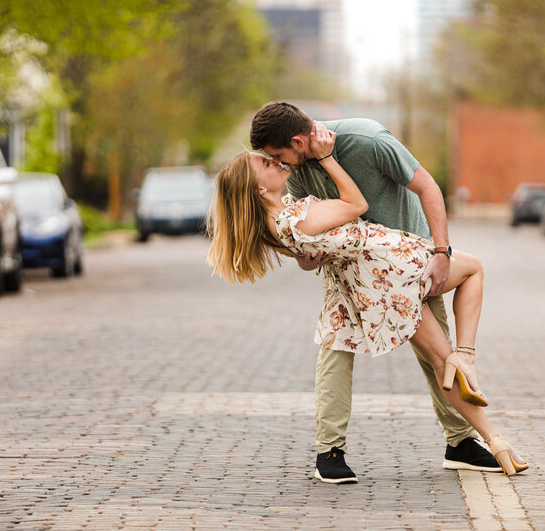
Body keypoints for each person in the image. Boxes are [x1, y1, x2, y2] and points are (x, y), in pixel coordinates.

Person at [206, 121, 528, 479]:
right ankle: (473, 399)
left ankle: (477, 438)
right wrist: (328, 160)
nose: (276, 163)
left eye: (275, 157)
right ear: (258, 187)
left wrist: (307, 254)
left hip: (365, 278)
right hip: (388, 268)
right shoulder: (293, 211)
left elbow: (303, 244)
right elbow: (356, 203)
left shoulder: (284, 213)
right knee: (457, 317)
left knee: (435, 359)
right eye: (267, 163)